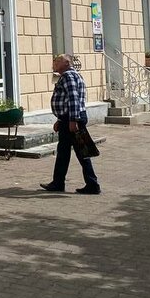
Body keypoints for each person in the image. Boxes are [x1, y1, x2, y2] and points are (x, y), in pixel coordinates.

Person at [41, 53, 101, 195]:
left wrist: (72, 121)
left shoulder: (68, 76)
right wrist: (60, 119)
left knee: (81, 152)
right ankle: (58, 182)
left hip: (72, 120)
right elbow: (68, 101)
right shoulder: (72, 75)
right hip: (68, 118)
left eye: (58, 61)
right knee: (65, 152)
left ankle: (91, 184)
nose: (54, 63)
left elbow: (73, 98)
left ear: (67, 63)